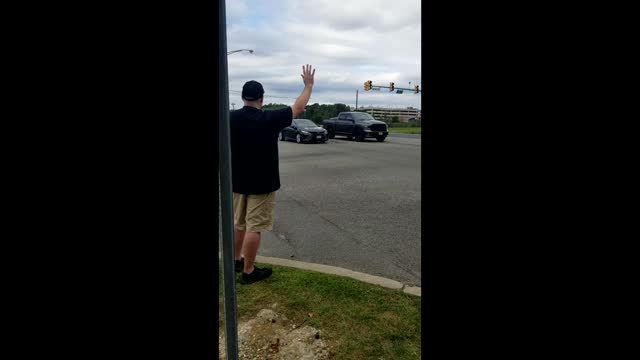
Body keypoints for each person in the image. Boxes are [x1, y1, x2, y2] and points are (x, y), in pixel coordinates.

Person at [230, 64, 315, 284]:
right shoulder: (270, 119)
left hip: (236, 181)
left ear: (242, 97)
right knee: (254, 227)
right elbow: (298, 106)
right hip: (262, 183)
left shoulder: (229, 118)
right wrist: (308, 85)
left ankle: (235, 260)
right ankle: (248, 271)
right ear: (262, 98)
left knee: (239, 223)